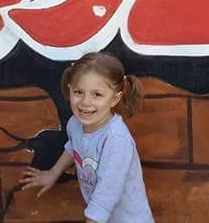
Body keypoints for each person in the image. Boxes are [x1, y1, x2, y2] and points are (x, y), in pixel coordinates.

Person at [20, 52, 153, 223]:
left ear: (115, 99)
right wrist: (53, 173)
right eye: (79, 92)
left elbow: (106, 193)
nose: (85, 102)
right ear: (70, 90)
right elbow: (74, 146)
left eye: (96, 94)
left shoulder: (116, 140)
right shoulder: (75, 124)